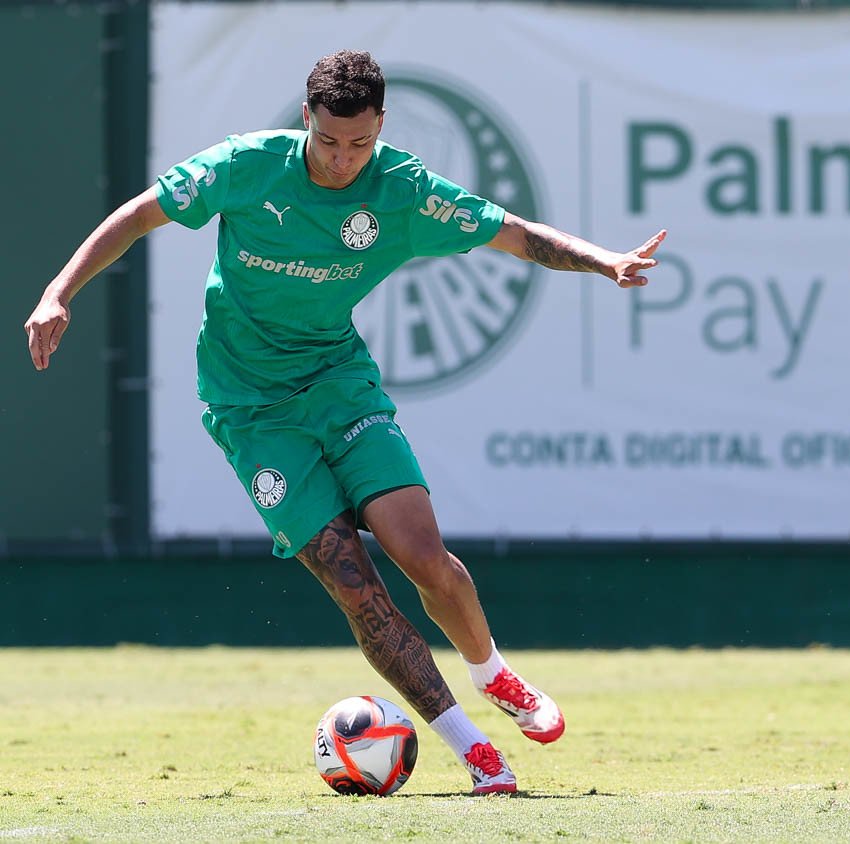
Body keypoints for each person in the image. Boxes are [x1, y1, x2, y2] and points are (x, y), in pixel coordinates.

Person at [24, 50, 667, 796]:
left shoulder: (404, 190)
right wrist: (58, 291)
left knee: (422, 554)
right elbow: (140, 215)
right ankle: (474, 750)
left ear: (380, 127)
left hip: (339, 385)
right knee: (354, 584)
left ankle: (493, 673)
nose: (342, 159)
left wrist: (606, 261)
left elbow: (515, 233)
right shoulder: (247, 167)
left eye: (359, 144)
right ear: (307, 119)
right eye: (329, 142)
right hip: (250, 410)